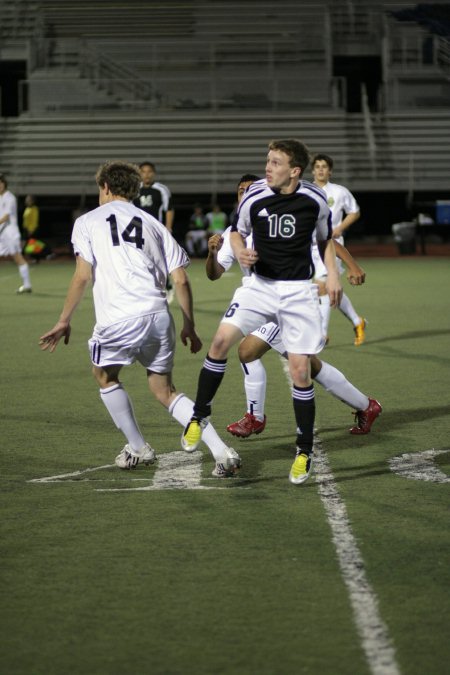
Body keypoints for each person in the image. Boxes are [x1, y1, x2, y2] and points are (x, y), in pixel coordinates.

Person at [39, 160, 241, 479]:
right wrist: (189, 324)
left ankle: (138, 447)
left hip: (118, 318)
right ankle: (222, 452)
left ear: (105, 187)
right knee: (165, 390)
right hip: (158, 315)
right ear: (134, 190)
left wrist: (64, 320)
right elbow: (182, 279)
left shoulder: (88, 221)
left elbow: (82, 276)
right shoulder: (153, 223)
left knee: (105, 377)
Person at [182, 138, 343, 486]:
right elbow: (237, 233)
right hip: (259, 287)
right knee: (221, 342)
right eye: (267, 161)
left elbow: (325, 241)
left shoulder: (314, 200)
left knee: (301, 371)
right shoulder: (254, 195)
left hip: (297, 292)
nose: (267, 167)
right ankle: (199, 416)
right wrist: (239, 253)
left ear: (294, 171)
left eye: (274, 162)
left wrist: (332, 277)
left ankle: (303, 452)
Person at [207, 175, 382, 439]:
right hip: (263, 301)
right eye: (240, 191)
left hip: (290, 300)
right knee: (309, 365)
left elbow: (328, 241)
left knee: (247, 352)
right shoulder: (236, 232)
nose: (244, 194)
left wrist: (353, 266)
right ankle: (367, 406)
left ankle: (255, 417)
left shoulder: (279, 216)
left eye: (249, 189)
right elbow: (214, 273)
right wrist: (211, 253)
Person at [311, 153, 367, 346]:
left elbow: (355, 212)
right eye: (317, 166)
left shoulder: (339, 191)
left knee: (322, 287)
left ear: (330, 171)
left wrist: (340, 228)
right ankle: (357, 321)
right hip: (310, 246)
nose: (320, 169)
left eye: (324, 166)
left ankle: (322, 335)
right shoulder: (306, 191)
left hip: (332, 245)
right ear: (312, 170)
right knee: (328, 288)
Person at [133, 161, 175, 302]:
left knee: (159, 259)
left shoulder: (161, 189)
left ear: (154, 173)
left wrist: (168, 227)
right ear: (139, 173)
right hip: (139, 231)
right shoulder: (134, 190)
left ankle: (167, 285)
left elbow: (168, 208)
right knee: (140, 260)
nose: (146, 175)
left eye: (149, 172)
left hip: (157, 231)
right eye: (143, 172)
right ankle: (145, 289)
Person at [0, 173, 32, 294]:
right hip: (2, 233)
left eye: (0, 183)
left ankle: (27, 285)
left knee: (18, 258)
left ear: (4, 184)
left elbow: (6, 217)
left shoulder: (10, 198)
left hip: (10, 233)